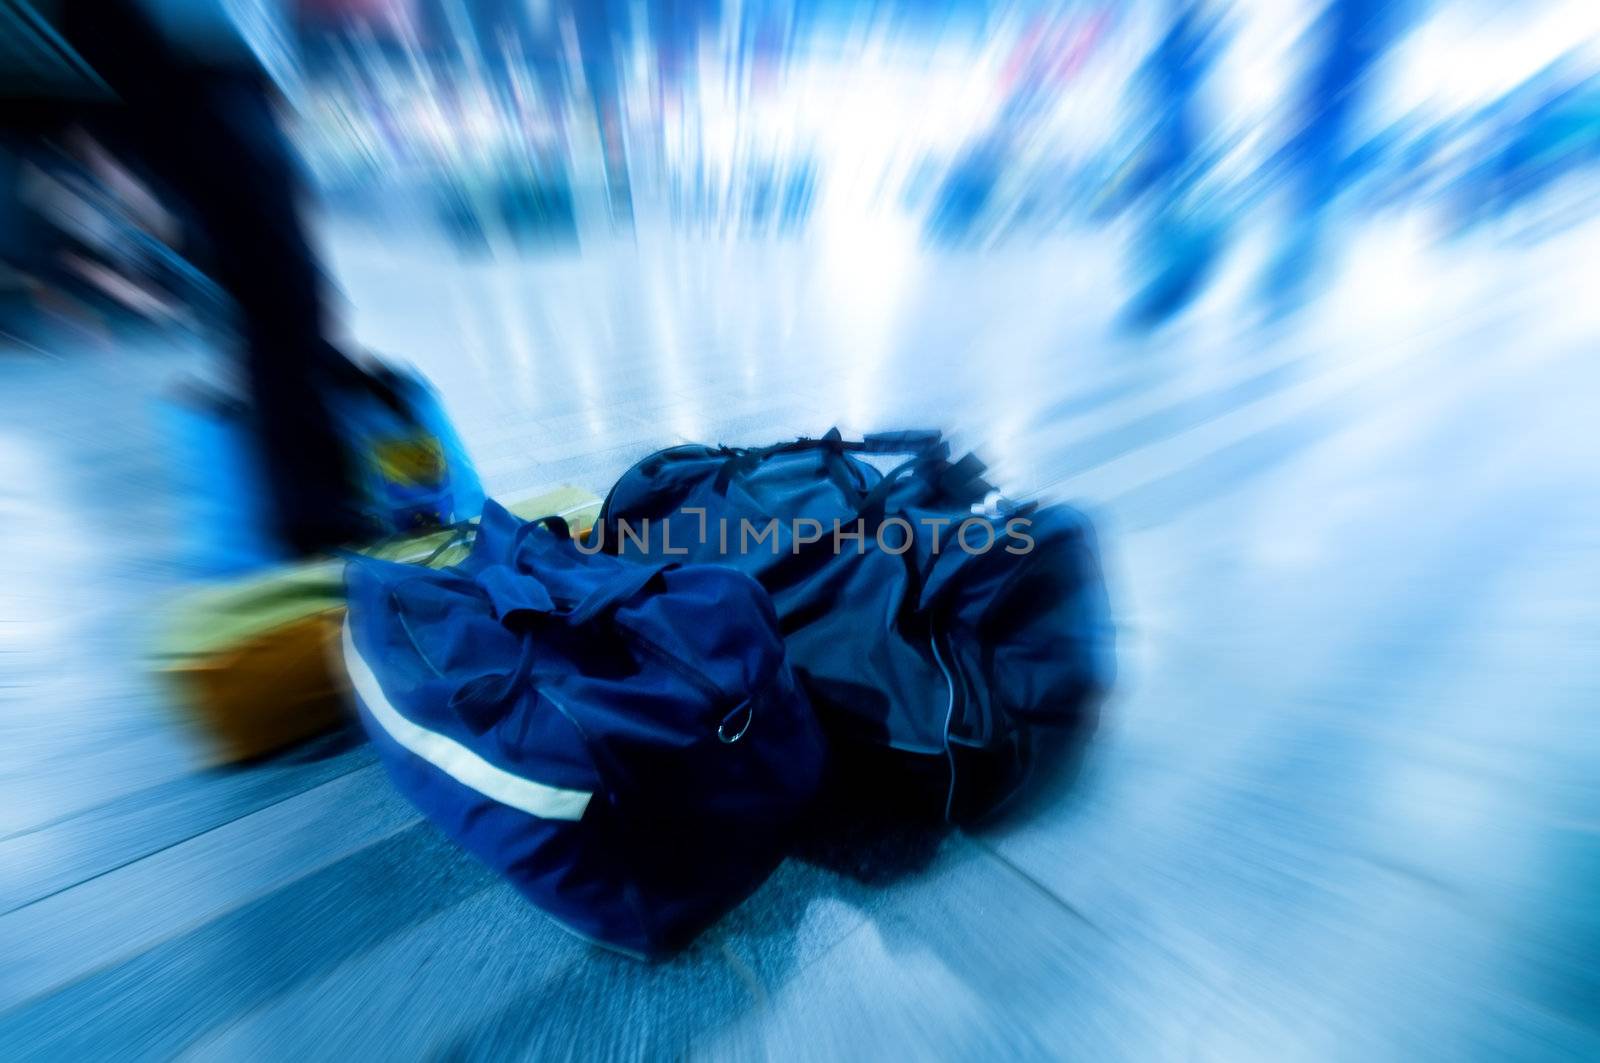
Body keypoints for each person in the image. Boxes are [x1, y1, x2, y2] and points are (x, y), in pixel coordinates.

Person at [0, 0, 378, 554]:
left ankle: (315, 497)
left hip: (174, 56)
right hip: (174, 53)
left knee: (274, 286)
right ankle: (317, 514)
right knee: (278, 287)